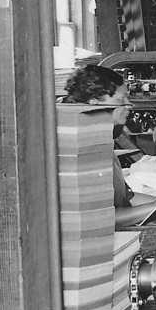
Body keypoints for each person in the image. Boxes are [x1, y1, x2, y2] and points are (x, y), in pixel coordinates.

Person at [61, 63, 134, 209]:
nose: (129, 105)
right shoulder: (82, 150)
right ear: (94, 104)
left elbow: (127, 201)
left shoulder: (104, 142)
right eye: (121, 99)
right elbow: (107, 217)